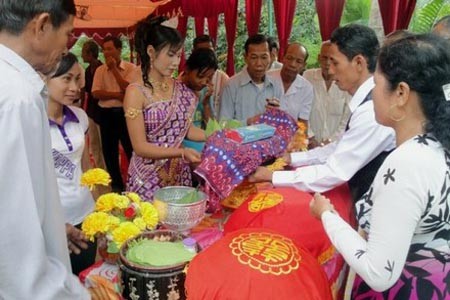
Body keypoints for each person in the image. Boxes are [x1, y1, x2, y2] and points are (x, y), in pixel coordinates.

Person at [310, 33, 450, 299]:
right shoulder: (437, 146)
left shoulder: (406, 163)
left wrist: (327, 216)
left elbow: (379, 272)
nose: (372, 93)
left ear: (401, 93)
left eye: (376, 83)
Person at [0, 1, 89, 298]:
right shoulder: (18, 98)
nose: (67, 46)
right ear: (41, 25)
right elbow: (13, 239)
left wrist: (48, 228)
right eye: (67, 34)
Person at [249, 24, 396, 203]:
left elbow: (336, 171)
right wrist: (292, 158)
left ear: (358, 63)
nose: (330, 70)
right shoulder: (367, 100)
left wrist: (273, 176)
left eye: (335, 63)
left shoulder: (372, 111)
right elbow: (340, 147)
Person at [124, 16, 203, 201]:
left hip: (178, 175)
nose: (176, 62)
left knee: (181, 227)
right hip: (147, 178)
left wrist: (218, 134)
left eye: (178, 55)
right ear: (151, 52)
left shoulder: (180, 89)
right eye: (170, 54)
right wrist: (181, 152)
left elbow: (187, 130)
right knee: (152, 228)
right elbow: (140, 146)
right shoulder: (136, 92)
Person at [47, 52, 97, 275]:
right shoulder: (31, 121)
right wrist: (51, 223)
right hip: (53, 221)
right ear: (44, 78)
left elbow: (86, 166)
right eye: (66, 79)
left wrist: (100, 208)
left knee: (85, 276)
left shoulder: (80, 117)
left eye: (78, 79)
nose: (75, 87)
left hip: (85, 213)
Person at [92, 36, 137, 192]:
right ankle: (117, 186)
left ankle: (135, 183)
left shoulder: (132, 68)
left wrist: (114, 70)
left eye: (109, 49)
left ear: (119, 50)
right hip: (106, 114)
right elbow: (96, 93)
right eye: (104, 49)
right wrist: (117, 95)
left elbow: (128, 88)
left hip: (126, 114)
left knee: (131, 148)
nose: (106, 52)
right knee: (109, 152)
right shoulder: (99, 70)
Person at [219, 34, 282, 125]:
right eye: (254, 57)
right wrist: (249, 122)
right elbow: (223, 124)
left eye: (264, 57)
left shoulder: (276, 85)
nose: (259, 63)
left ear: (271, 57)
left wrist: (277, 114)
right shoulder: (231, 86)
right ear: (245, 57)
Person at [304, 41, 351, 147]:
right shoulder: (308, 76)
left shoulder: (345, 82)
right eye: (325, 58)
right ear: (319, 58)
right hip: (309, 144)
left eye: (332, 59)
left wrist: (329, 142)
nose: (328, 63)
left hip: (336, 145)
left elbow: (346, 118)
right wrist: (311, 138)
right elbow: (303, 111)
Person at [181, 47, 219, 152]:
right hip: (185, 149)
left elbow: (212, 127)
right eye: (200, 76)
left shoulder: (204, 91)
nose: (203, 82)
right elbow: (184, 133)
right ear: (187, 69)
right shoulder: (175, 91)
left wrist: (206, 104)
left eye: (209, 78)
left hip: (205, 145)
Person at [267, 42, 313, 127]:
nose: (292, 64)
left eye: (298, 61)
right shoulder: (267, 78)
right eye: (289, 58)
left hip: (291, 137)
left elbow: (302, 122)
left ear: (304, 65)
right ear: (283, 58)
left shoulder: (306, 88)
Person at [81, 39, 106, 171]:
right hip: (91, 110)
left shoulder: (102, 69)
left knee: (104, 143)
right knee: (94, 143)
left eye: (84, 53)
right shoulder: (87, 70)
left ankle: (108, 171)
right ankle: (100, 169)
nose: (81, 56)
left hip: (102, 111)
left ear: (90, 53)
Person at [192, 34, 229, 120]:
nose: (206, 56)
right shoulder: (185, 79)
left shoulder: (224, 79)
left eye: (209, 51)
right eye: (201, 52)